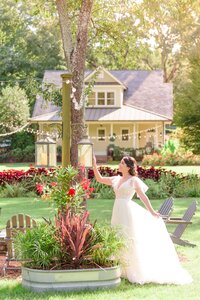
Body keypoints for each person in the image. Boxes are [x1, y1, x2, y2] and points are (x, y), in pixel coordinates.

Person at [93, 155, 192, 285]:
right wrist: (94, 165)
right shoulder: (116, 179)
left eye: (122, 163)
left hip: (127, 210)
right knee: (118, 236)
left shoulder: (134, 180)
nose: (119, 164)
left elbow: (143, 197)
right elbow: (99, 179)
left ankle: (134, 270)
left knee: (129, 236)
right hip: (117, 210)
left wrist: (152, 212)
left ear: (128, 167)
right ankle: (122, 269)